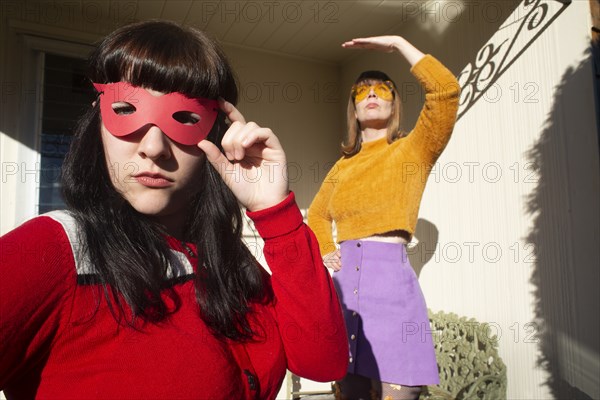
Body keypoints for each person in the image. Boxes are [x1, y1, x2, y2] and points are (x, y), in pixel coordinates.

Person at [0, 20, 348, 399]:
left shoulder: (227, 259)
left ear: (215, 135)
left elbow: (322, 362)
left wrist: (274, 211)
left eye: (183, 118)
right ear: (97, 121)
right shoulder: (54, 251)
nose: (153, 146)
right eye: (126, 110)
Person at [308, 36, 460, 400]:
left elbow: (446, 91)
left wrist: (397, 44)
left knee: (401, 392)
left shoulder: (413, 150)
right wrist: (328, 249)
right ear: (354, 109)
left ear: (394, 104)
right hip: (345, 292)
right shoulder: (342, 166)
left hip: (392, 288)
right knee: (351, 390)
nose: (371, 94)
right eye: (361, 92)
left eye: (381, 89)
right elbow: (315, 214)